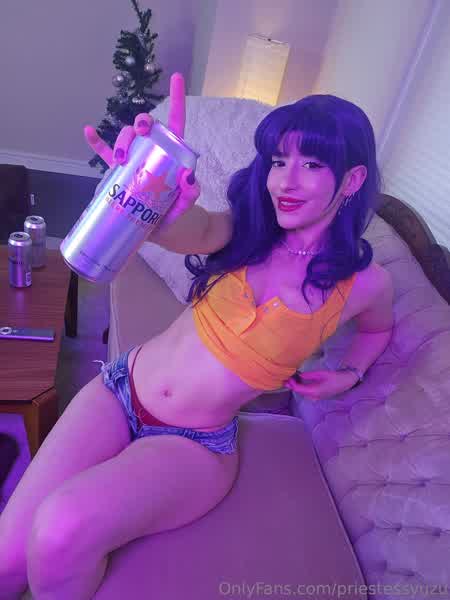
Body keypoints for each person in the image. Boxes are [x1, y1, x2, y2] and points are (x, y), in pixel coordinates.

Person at [0, 73, 394, 600]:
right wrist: (147, 190)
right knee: (5, 563)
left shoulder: (365, 284)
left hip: (192, 445)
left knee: (59, 530)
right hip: (118, 389)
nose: (285, 182)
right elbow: (192, 231)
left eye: (313, 165)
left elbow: (378, 328)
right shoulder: (250, 230)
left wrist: (349, 373)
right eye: (279, 161)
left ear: (351, 179)